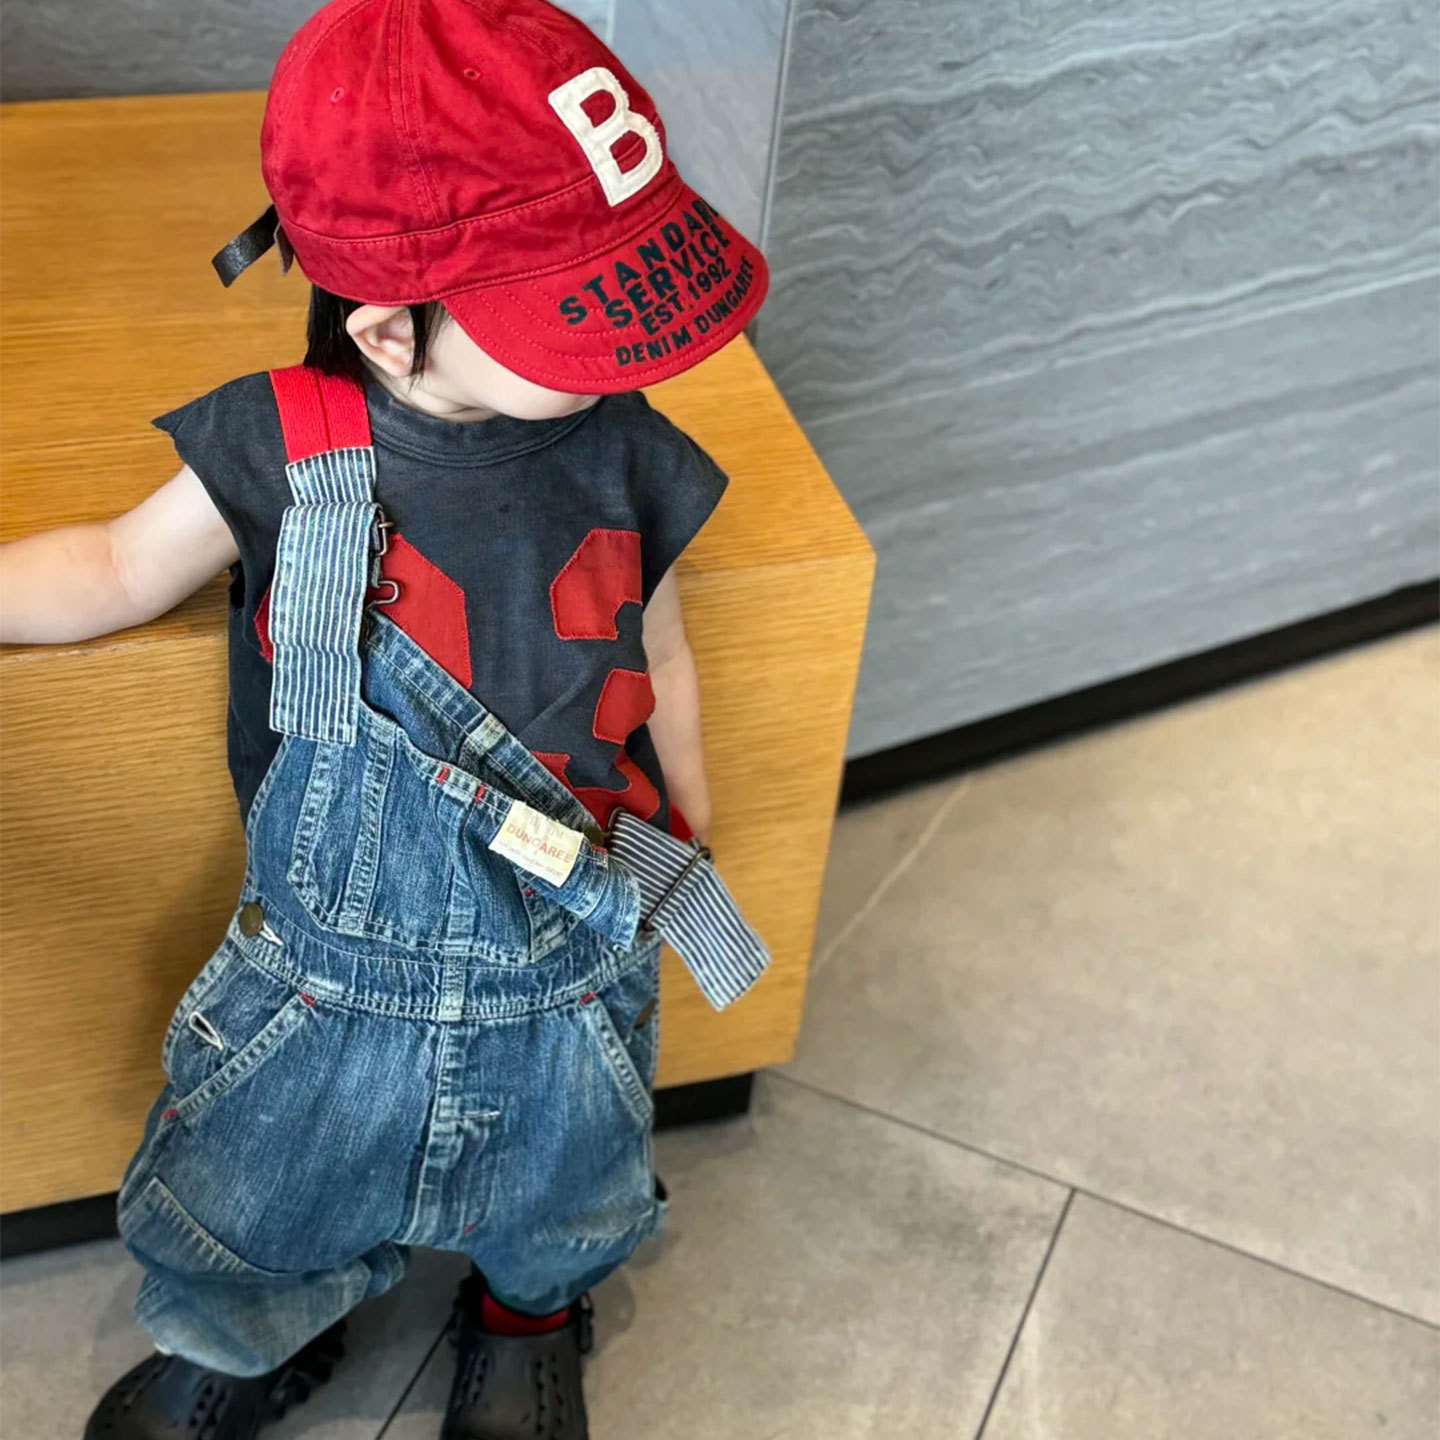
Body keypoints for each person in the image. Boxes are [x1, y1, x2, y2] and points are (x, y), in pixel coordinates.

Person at [0, 2, 770, 1436]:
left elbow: (655, 640)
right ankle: (248, 1339)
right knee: (258, 1192)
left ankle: (530, 1313)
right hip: (322, 978)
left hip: (569, 951)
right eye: (575, 313)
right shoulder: (286, 446)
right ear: (388, 328)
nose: (626, 348)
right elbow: (113, 566)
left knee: (567, 1182)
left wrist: (693, 810)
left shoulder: (628, 451)